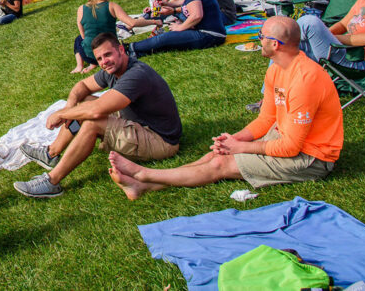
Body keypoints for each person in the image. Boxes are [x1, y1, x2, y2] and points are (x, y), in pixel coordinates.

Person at [108, 17, 343, 199]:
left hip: (312, 157)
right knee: (219, 153)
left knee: (222, 164)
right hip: (287, 137)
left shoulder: (305, 79)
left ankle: (143, 174)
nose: (258, 38)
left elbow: (292, 147)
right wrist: (234, 139)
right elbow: (266, 118)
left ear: (275, 44)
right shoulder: (276, 69)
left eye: (261, 35)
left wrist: (241, 147)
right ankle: (144, 185)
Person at [14, 33, 181, 198]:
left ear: (121, 50)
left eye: (108, 54)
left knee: (92, 121)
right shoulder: (112, 70)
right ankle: (51, 153)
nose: (104, 61)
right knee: (83, 102)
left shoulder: (136, 74)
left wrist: (62, 113)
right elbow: (82, 86)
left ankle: (52, 182)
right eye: (99, 58)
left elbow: (97, 110)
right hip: (138, 124)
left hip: (160, 141)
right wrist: (70, 105)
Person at [128, 0, 226, 57]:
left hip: (210, 35)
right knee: (169, 42)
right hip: (212, 34)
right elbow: (182, 3)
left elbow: (197, 16)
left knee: (163, 38)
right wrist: (167, 3)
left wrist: (180, 27)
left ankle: (130, 48)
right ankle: (139, 52)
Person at [71, 0, 164, 74]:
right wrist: (154, 21)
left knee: (78, 39)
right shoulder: (111, 6)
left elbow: (83, 35)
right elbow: (132, 23)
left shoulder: (81, 8)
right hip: (110, 54)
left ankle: (80, 66)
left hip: (89, 55)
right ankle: (91, 63)